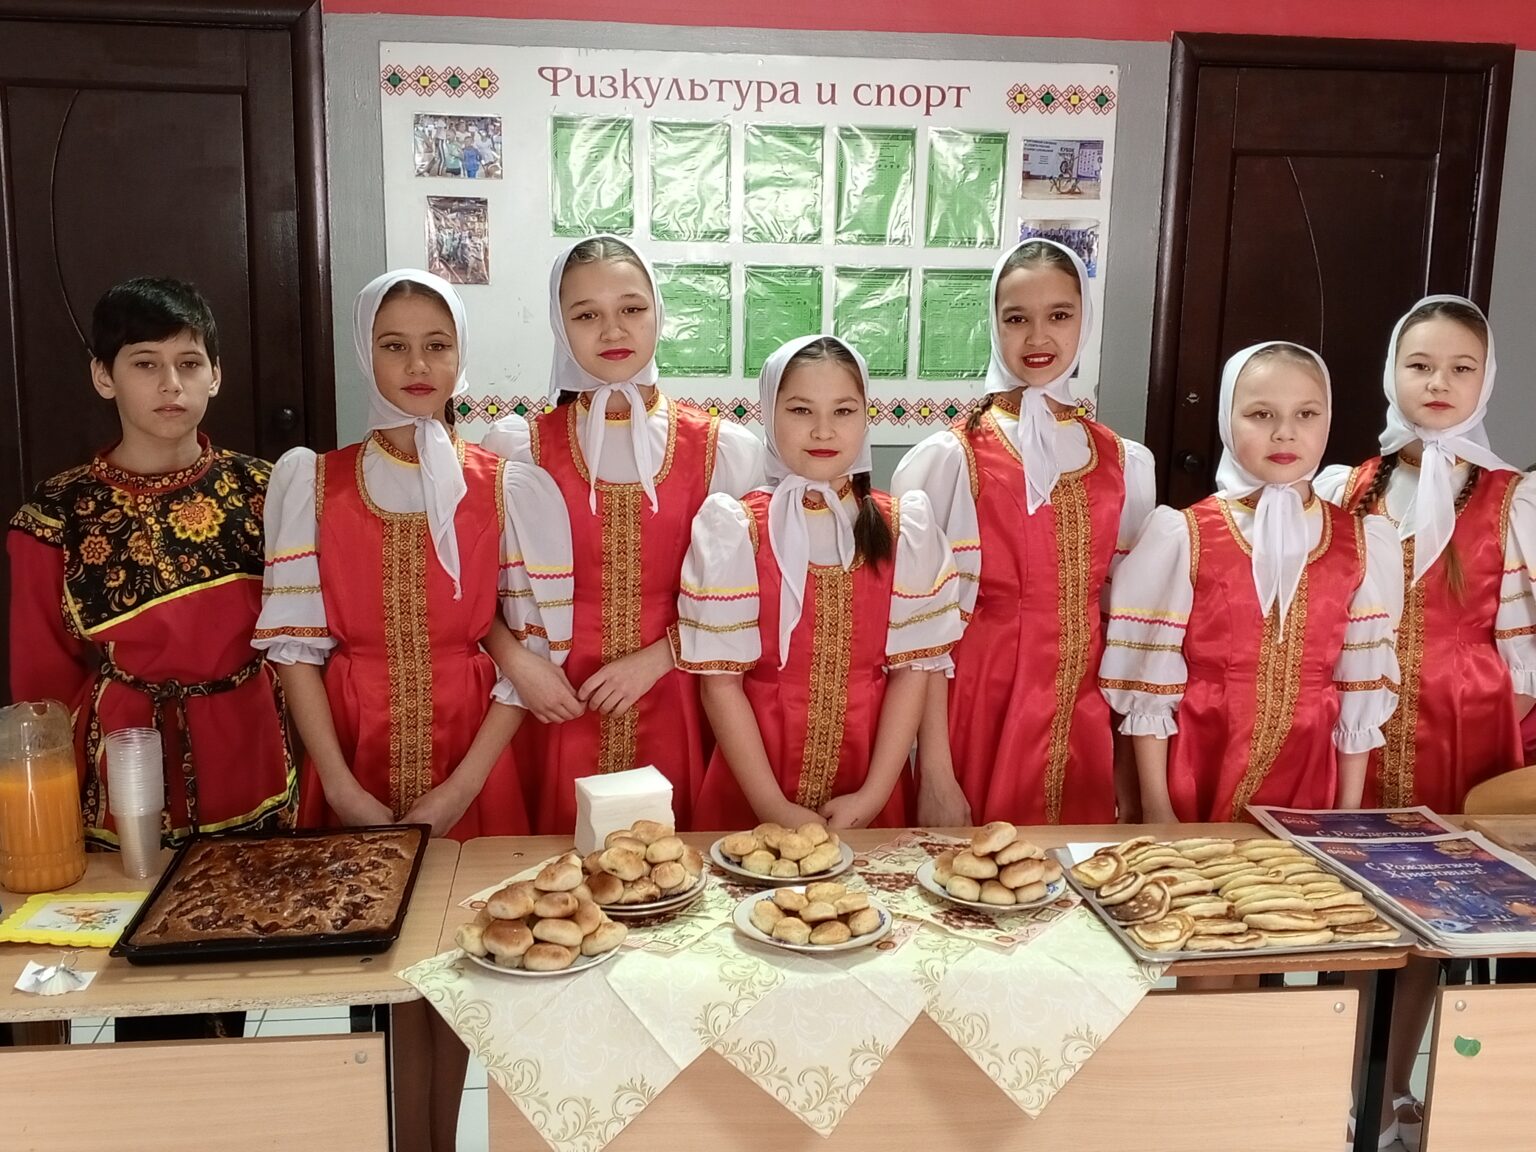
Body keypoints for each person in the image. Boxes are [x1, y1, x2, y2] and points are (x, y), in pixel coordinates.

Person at [8, 276, 294, 1041]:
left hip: (250, 759)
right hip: (123, 772)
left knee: (239, 970)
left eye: (189, 363)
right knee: (143, 996)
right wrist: (48, 822)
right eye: (145, 363)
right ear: (104, 376)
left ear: (216, 374)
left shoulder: (267, 493)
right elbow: (41, 682)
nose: (172, 384)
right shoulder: (55, 515)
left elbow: (308, 644)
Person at [1316, 296, 1536, 1152]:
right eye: (1420, 365)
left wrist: (1499, 722)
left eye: (1460, 368)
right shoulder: (1345, 487)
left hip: (1464, 725)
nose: (1438, 382)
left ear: (1487, 379)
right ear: (1391, 374)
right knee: (1349, 907)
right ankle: (1332, 1087)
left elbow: (1524, 644)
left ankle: (1395, 1090)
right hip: (1356, 727)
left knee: (1435, 915)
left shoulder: (1515, 498)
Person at [484, 234, 764, 832]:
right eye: (587, 315)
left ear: (658, 311)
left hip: (680, 693)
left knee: (673, 864)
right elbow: (477, 594)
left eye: (631, 308)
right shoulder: (519, 450)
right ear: (560, 326)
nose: (613, 330)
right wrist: (520, 667)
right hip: (551, 696)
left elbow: (750, 595)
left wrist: (659, 658)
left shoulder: (722, 449)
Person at [892, 238, 1155, 826]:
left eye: (1059, 315)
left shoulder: (1124, 462)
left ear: (1085, 319)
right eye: (1017, 319)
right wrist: (935, 773)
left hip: (1084, 709)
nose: (1038, 337)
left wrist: (1127, 769)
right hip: (978, 703)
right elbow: (923, 633)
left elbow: (1128, 625)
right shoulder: (951, 458)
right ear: (994, 324)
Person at [1100, 342, 1402, 822]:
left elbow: (1359, 688)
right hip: (1201, 756)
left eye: (1306, 414)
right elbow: (1150, 684)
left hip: (1311, 769)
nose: (1285, 432)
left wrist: (1346, 815)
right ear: (1227, 419)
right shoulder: (1185, 535)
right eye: (1261, 414)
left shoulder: (1360, 542)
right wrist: (1158, 808)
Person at [679, 335, 961, 830]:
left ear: (866, 416)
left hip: (870, 769)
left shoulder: (904, 528)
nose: (823, 430)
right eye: (800, 410)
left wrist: (872, 797)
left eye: (844, 411)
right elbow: (721, 685)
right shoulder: (736, 528)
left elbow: (912, 671)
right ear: (769, 413)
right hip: (754, 779)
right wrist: (774, 809)